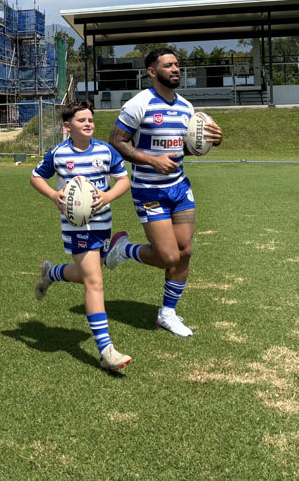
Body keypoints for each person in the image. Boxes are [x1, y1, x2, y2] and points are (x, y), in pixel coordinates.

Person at [104, 48, 223, 338]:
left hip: (180, 188)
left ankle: (167, 313)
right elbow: (117, 141)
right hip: (149, 190)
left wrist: (213, 139)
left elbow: (186, 146)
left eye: (177, 65)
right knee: (168, 256)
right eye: (168, 65)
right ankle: (123, 250)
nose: (176, 69)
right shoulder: (138, 104)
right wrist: (151, 160)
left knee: (185, 252)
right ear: (152, 72)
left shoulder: (186, 107)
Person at [30, 100, 133, 373]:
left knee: (89, 274)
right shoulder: (59, 154)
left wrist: (109, 195)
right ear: (67, 126)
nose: (88, 124)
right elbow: (35, 177)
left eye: (90, 120)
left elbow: (124, 180)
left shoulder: (106, 151)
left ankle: (51, 273)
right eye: (81, 120)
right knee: (95, 282)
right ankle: (106, 351)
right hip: (75, 227)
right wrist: (54, 195)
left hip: (103, 224)